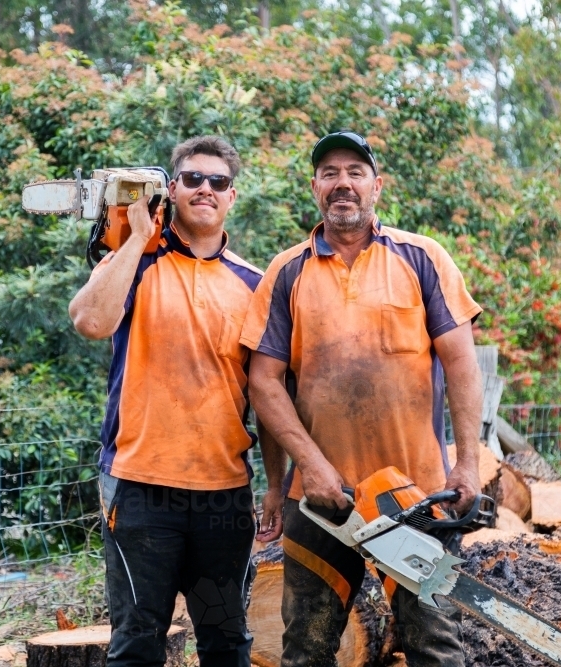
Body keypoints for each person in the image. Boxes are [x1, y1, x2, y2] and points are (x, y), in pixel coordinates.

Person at [241, 131, 484, 667]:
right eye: (329, 173)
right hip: (321, 501)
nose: (342, 183)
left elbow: (462, 362)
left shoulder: (422, 259)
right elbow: (263, 382)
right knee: (306, 651)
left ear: (377, 185)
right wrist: (307, 469)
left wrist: (467, 462)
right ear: (314, 188)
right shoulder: (286, 273)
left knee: (435, 649)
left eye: (355, 171)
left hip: (418, 500)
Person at [68, 135, 283, 667]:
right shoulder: (136, 263)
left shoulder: (255, 284)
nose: (205, 189)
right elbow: (91, 321)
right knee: (137, 644)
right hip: (140, 492)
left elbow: (270, 394)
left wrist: (278, 484)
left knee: (225, 644)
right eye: (192, 178)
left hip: (222, 499)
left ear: (232, 196)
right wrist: (138, 238)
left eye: (218, 182)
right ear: (172, 188)